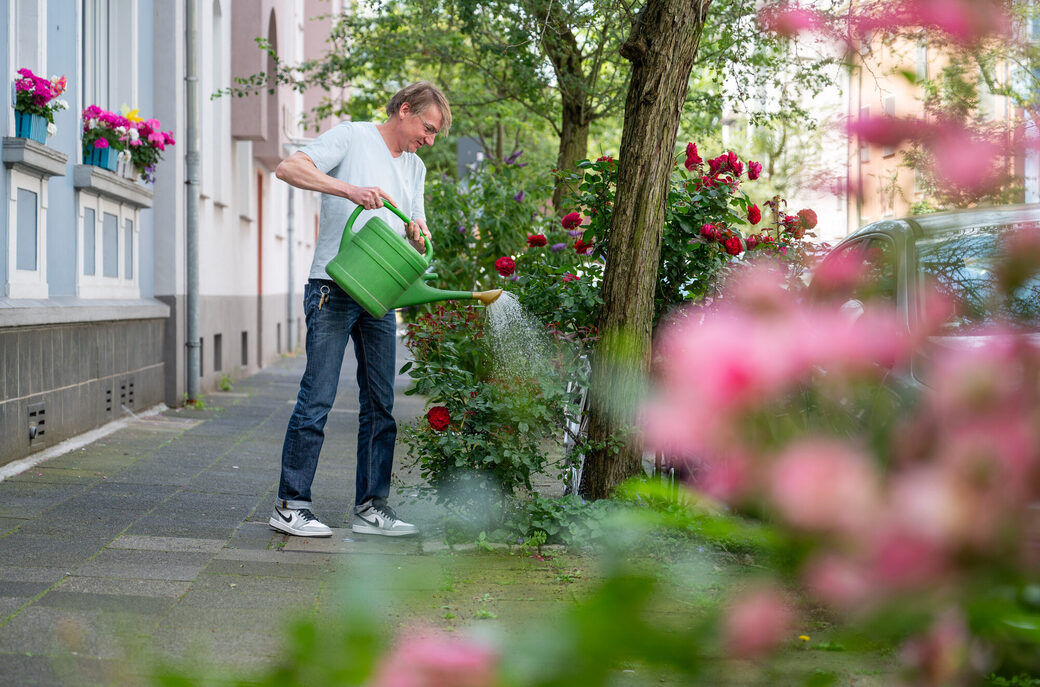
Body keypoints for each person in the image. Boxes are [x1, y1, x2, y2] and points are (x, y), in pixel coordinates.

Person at [269, 82, 450, 537]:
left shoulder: (415, 167)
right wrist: (348, 190)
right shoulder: (351, 137)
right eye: (426, 128)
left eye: (434, 135)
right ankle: (290, 505)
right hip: (333, 285)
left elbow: (415, 227)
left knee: (380, 404)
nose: (428, 139)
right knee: (318, 397)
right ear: (404, 110)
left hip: (381, 293)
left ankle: (372, 508)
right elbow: (289, 168)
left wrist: (418, 231)